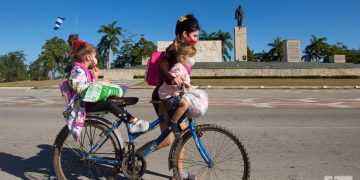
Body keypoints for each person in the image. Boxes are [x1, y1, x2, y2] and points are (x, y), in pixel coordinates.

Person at [138, 14, 200, 180]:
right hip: (164, 97)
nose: (196, 39)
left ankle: (135, 155)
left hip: (168, 95)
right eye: (194, 35)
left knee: (168, 140)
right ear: (185, 33)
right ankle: (178, 174)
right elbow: (162, 68)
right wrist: (171, 79)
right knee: (181, 134)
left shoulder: (183, 48)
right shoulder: (174, 49)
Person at [63, 42, 149, 140]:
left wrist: (95, 78)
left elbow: (89, 89)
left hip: (88, 100)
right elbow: (79, 88)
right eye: (94, 56)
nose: (96, 59)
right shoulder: (78, 70)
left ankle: (129, 124)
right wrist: (100, 83)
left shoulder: (84, 69)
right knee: (109, 104)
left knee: (115, 98)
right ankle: (134, 122)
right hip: (83, 104)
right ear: (88, 58)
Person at [158, 42, 196, 137]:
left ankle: (176, 122)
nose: (193, 59)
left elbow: (184, 81)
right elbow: (174, 82)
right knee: (184, 103)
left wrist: (190, 86)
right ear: (183, 57)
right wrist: (181, 83)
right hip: (167, 95)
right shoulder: (178, 68)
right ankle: (173, 122)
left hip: (172, 94)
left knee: (186, 103)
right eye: (191, 56)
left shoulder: (182, 67)